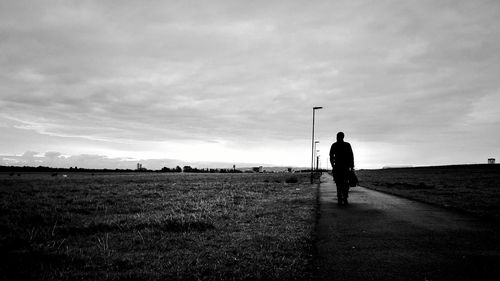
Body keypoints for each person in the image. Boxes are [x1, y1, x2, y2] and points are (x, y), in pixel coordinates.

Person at [329, 132, 354, 205]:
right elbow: (351, 156)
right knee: (345, 183)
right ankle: (345, 197)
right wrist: (351, 166)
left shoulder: (334, 145)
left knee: (339, 184)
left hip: (338, 167)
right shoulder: (347, 145)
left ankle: (340, 198)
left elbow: (331, 156)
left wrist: (333, 166)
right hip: (345, 167)